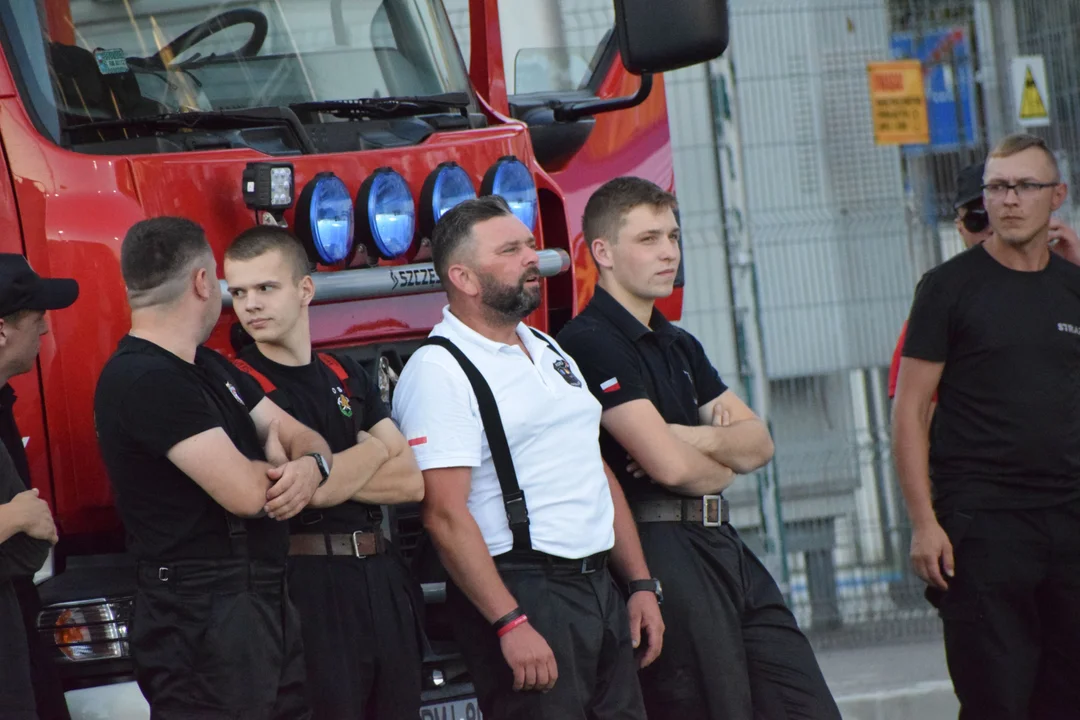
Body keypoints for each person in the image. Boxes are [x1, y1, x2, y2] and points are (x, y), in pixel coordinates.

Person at [556, 177, 840, 720]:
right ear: (602, 252)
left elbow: (759, 444)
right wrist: (713, 458)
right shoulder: (589, 342)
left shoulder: (678, 342)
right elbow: (667, 467)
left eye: (673, 236)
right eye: (648, 239)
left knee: (805, 704)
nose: (668, 252)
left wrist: (689, 437)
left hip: (722, 543)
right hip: (663, 548)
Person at [392, 196, 664, 720]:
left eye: (531, 245)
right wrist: (510, 621)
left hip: (597, 589)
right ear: (465, 278)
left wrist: (638, 584)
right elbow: (444, 515)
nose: (532, 258)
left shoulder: (546, 346)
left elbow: (593, 468)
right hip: (525, 590)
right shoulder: (439, 369)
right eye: (512, 250)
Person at [94, 217, 333, 720]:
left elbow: (298, 433)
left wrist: (311, 465)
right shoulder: (145, 379)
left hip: (255, 602)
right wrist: (284, 462)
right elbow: (247, 494)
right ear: (203, 282)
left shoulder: (209, 365)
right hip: (201, 617)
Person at [893, 133, 1080, 719]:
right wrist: (925, 524)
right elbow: (910, 413)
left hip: (1070, 524)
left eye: (1025, 186)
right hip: (984, 528)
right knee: (997, 699)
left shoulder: (1074, 287)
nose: (1009, 200)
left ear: (1057, 196)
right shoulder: (948, 288)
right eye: (997, 188)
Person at [222, 226, 426, 720]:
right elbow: (302, 490)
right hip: (307, 586)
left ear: (305, 290)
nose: (250, 304)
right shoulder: (239, 384)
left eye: (265, 288)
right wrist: (375, 449)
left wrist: (331, 472)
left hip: (382, 577)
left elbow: (412, 482)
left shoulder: (345, 372)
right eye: (239, 292)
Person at [888, 162, 1080, 405]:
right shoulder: (944, 300)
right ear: (960, 228)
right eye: (978, 219)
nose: (993, 229)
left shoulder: (1066, 289)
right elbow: (913, 411)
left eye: (1006, 214)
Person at [0, 255, 76, 720]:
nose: (46, 330)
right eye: (37, 318)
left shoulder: (3, 401)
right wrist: (16, 519)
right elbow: (28, 541)